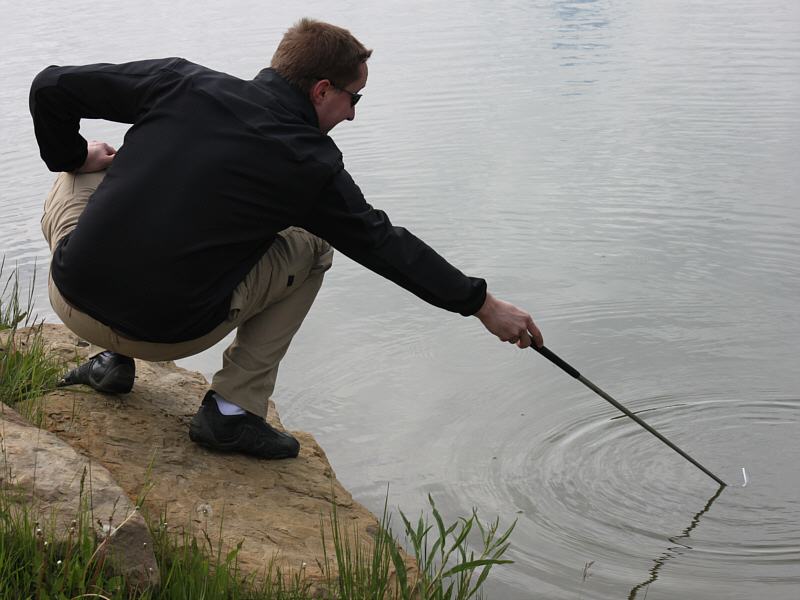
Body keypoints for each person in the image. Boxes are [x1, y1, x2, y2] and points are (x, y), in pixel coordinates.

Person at [30, 18, 542, 460]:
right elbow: (386, 245)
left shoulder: (178, 82)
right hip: (168, 335)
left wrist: (72, 155)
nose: (353, 114)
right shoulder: (310, 162)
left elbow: (50, 86)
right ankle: (231, 411)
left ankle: (110, 362)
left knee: (83, 168)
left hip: (71, 299)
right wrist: (482, 305)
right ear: (322, 90)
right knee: (315, 245)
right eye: (353, 98)